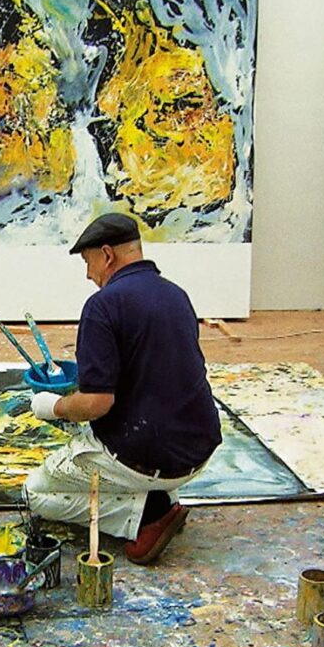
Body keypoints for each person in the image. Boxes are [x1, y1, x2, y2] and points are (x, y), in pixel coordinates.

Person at [25, 213, 222, 564]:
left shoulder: (102, 306)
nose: (88, 275)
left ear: (107, 255)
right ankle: (161, 497)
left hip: (145, 459)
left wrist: (53, 406)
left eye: (88, 263)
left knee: (34, 492)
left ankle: (146, 515)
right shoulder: (177, 295)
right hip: (199, 449)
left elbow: (97, 403)